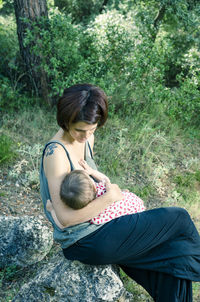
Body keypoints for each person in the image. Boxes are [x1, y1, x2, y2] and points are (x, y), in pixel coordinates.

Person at [40, 83, 200, 302]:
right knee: (179, 218)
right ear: (65, 120)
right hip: (86, 240)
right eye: (79, 130)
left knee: (172, 264)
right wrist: (110, 197)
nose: (85, 136)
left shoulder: (86, 139)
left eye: (92, 130)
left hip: (103, 227)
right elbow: (66, 218)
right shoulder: (55, 153)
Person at [46, 163, 145, 226]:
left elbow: (61, 225)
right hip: (135, 204)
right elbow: (105, 179)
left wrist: (52, 210)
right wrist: (92, 172)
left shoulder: (88, 213)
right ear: (94, 187)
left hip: (129, 219)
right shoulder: (102, 188)